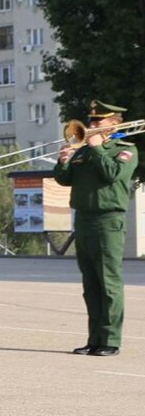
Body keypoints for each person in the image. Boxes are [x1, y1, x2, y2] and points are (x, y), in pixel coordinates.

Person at [54, 101, 138, 355]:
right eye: (90, 122)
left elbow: (112, 175)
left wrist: (99, 149)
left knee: (108, 282)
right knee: (90, 283)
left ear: (114, 124)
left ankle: (110, 340)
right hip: (84, 219)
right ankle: (94, 339)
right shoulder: (84, 150)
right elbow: (64, 179)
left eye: (97, 122)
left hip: (108, 220)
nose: (91, 127)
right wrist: (64, 161)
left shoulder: (125, 150)